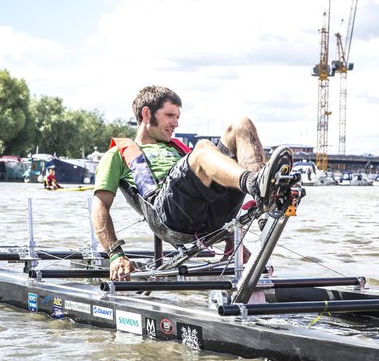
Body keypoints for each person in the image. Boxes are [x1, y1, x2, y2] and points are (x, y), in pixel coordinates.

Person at [91, 85, 291, 281]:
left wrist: (231, 238)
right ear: (146, 114)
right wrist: (115, 254)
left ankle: (266, 199)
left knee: (240, 124)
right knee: (203, 148)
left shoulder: (176, 148)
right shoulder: (115, 155)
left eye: (177, 117)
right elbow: (100, 206)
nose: (176, 123)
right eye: (170, 115)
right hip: (168, 217)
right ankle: (256, 184)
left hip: (209, 214)